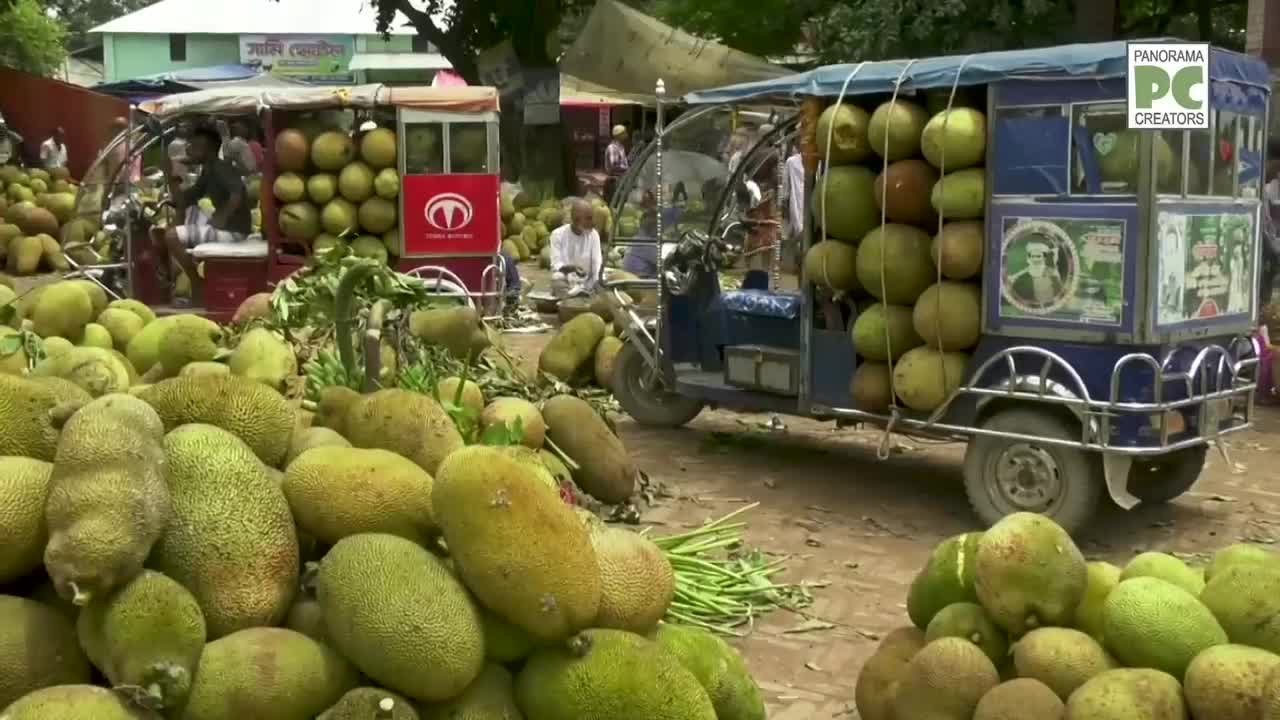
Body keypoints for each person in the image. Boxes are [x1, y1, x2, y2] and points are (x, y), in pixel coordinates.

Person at [158, 126, 251, 302]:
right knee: (188, 213)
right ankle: (178, 270)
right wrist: (170, 176)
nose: (188, 149)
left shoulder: (221, 167)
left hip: (235, 231)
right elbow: (185, 200)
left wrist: (222, 217)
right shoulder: (208, 171)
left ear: (206, 149)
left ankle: (196, 282)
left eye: (193, 146)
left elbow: (237, 194)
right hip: (226, 226)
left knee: (171, 236)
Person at [549, 199, 604, 297]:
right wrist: (572, 268)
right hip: (567, 281)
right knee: (557, 277)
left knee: (606, 277)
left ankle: (582, 293)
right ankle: (570, 296)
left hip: (588, 282)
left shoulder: (594, 234)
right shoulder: (557, 234)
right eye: (588, 218)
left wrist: (597, 281)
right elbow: (556, 264)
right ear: (576, 219)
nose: (592, 222)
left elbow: (597, 262)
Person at [783, 142, 804, 271]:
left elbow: (785, 187)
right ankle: (801, 263)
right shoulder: (791, 161)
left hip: (797, 200)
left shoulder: (791, 161)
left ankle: (801, 263)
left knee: (799, 230)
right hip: (800, 199)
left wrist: (784, 200)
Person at [604, 125, 628, 203]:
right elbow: (614, 165)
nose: (626, 135)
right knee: (613, 203)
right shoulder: (613, 148)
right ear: (619, 135)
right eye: (624, 133)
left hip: (620, 179)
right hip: (614, 181)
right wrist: (627, 168)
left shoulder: (621, 147)